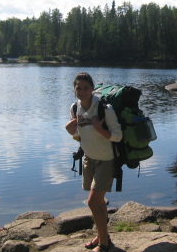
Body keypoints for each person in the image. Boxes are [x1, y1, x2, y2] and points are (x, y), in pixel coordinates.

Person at [65, 72, 122, 252]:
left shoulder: (105, 109)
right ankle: (103, 236)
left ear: (92, 89)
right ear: (74, 89)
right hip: (89, 158)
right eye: (78, 88)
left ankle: (104, 245)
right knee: (98, 203)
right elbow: (79, 135)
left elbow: (118, 136)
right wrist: (70, 131)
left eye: (85, 88)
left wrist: (100, 129)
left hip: (106, 160)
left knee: (92, 202)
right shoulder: (75, 108)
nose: (82, 92)